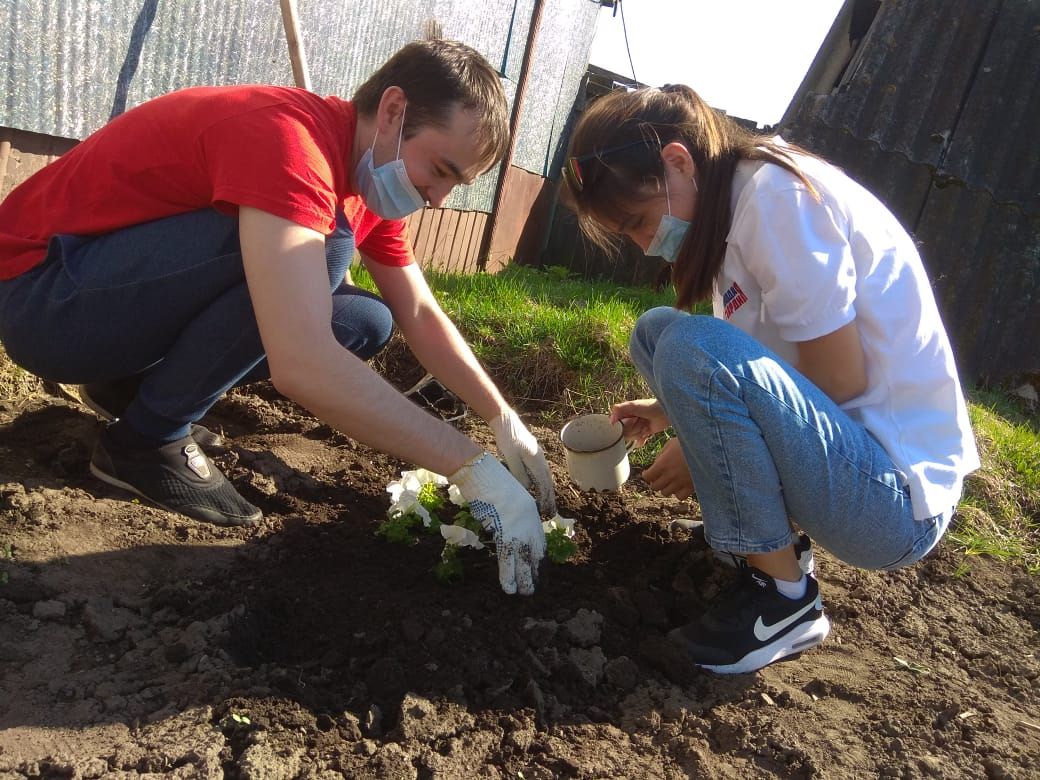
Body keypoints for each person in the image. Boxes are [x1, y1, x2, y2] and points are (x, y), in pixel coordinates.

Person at [0, 39, 555, 596]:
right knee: (325, 251)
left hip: (103, 302)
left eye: (455, 185)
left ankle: (129, 387)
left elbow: (418, 310)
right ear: (393, 113)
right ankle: (146, 442)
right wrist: (472, 470)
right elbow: (302, 362)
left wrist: (502, 418)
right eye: (441, 170)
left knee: (365, 318)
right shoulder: (290, 143)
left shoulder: (362, 177)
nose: (437, 199)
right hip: (41, 301)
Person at [561, 84, 979, 672]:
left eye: (635, 221)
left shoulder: (777, 200)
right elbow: (762, 362)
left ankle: (784, 601)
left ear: (677, 162)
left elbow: (840, 375)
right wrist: (667, 412)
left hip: (893, 503)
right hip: (844, 461)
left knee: (689, 344)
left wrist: (693, 433)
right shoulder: (734, 202)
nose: (642, 243)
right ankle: (762, 546)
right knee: (657, 333)